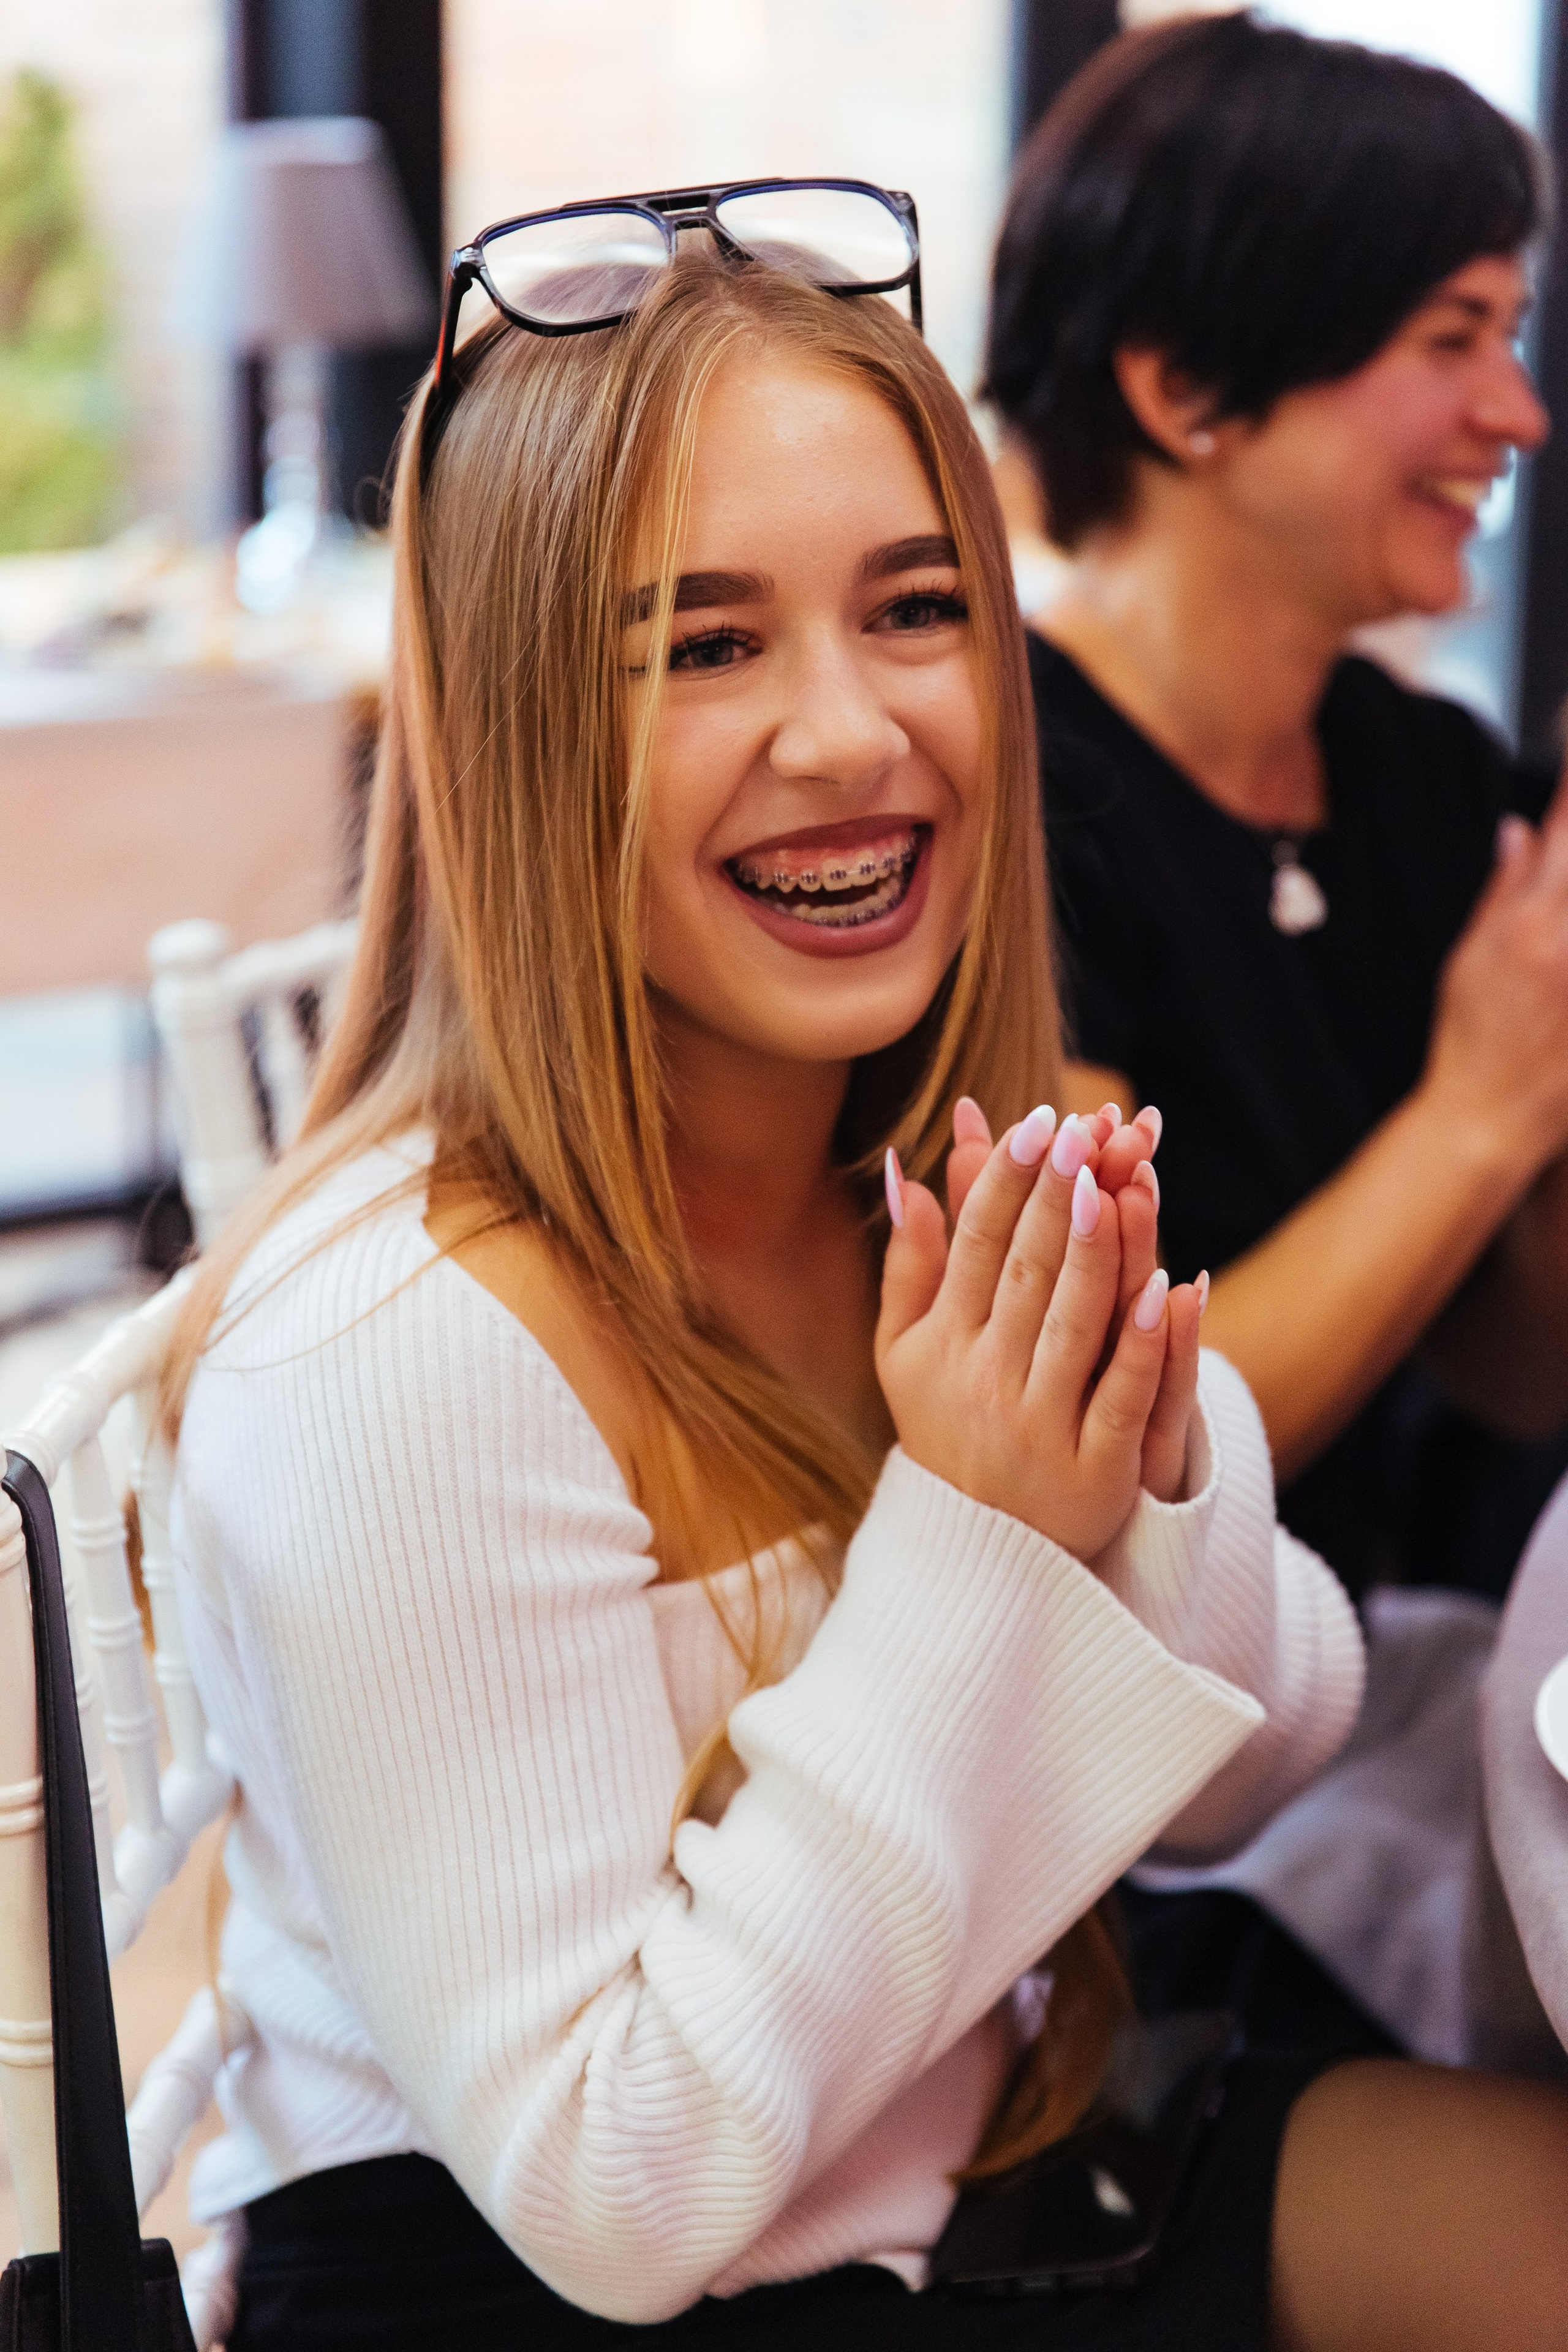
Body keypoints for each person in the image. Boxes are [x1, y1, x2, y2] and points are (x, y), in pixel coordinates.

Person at [163, 221, 1568, 2349]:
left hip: (986, 2152)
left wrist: (1134, 1476)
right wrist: (981, 1527)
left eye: (916, 610)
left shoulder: (911, 1175)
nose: (850, 733)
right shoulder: (395, 1346)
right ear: (523, 732)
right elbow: (620, 2192)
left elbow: (1262, 1759)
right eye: (705, 645)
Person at [986, 12, 1568, 1610]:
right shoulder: (997, 793)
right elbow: (1100, 1461)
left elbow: (1509, 1374)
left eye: (1513, 337)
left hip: (1360, 1658)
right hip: (1108, 1707)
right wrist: (1481, 1108)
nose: (1518, 415)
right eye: (1452, 339)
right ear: (1186, 385)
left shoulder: (1419, 772)